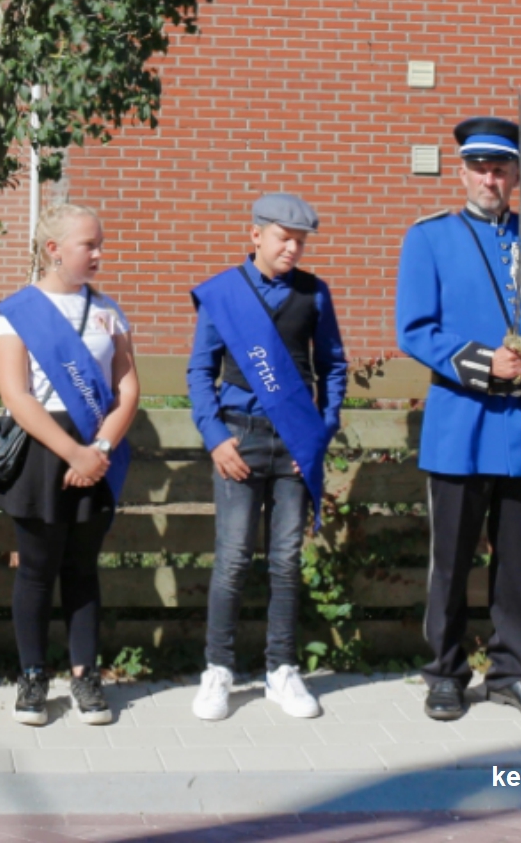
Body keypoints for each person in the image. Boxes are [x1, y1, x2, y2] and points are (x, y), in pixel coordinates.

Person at [395, 117, 521, 723]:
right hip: (460, 421)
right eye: (478, 166)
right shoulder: (429, 237)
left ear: (517, 174)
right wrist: (480, 363)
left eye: (500, 168)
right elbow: (414, 329)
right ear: (462, 170)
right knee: (452, 560)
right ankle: (444, 673)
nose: (488, 178)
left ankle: (513, 671)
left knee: (520, 562)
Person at [186, 192, 347, 721]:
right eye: (284, 237)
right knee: (233, 560)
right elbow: (199, 373)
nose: (293, 248)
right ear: (255, 235)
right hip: (239, 439)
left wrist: (318, 437)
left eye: (300, 240)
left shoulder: (315, 295)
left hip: (294, 444)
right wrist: (215, 437)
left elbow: (334, 370)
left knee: (285, 561)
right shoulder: (224, 295)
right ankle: (219, 670)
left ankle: (281, 669)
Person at [0, 203, 140, 727]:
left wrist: (98, 449)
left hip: (98, 449)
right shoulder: (16, 313)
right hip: (42, 451)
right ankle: (32, 677)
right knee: (35, 571)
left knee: (81, 570)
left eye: (100, 244)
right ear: (53, 250)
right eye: (88, 245)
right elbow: (16, 394)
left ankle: (84, 676)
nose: (99, 253)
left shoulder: (109, 311)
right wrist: (72, 452)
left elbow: (127, 388)